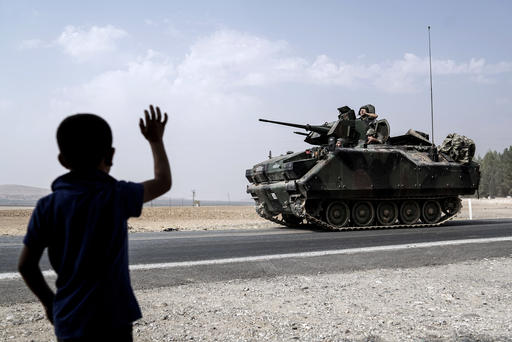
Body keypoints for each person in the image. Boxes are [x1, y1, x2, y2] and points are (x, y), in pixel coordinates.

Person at [18, 105, 172, 341]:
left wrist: (50, 304)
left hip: (70, 318)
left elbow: (27, 266)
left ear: (62, 159)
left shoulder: (47, 206)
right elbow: (162, 182)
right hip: (114, 318)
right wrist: (155, 141)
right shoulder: (116, 195)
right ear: (110, 156)